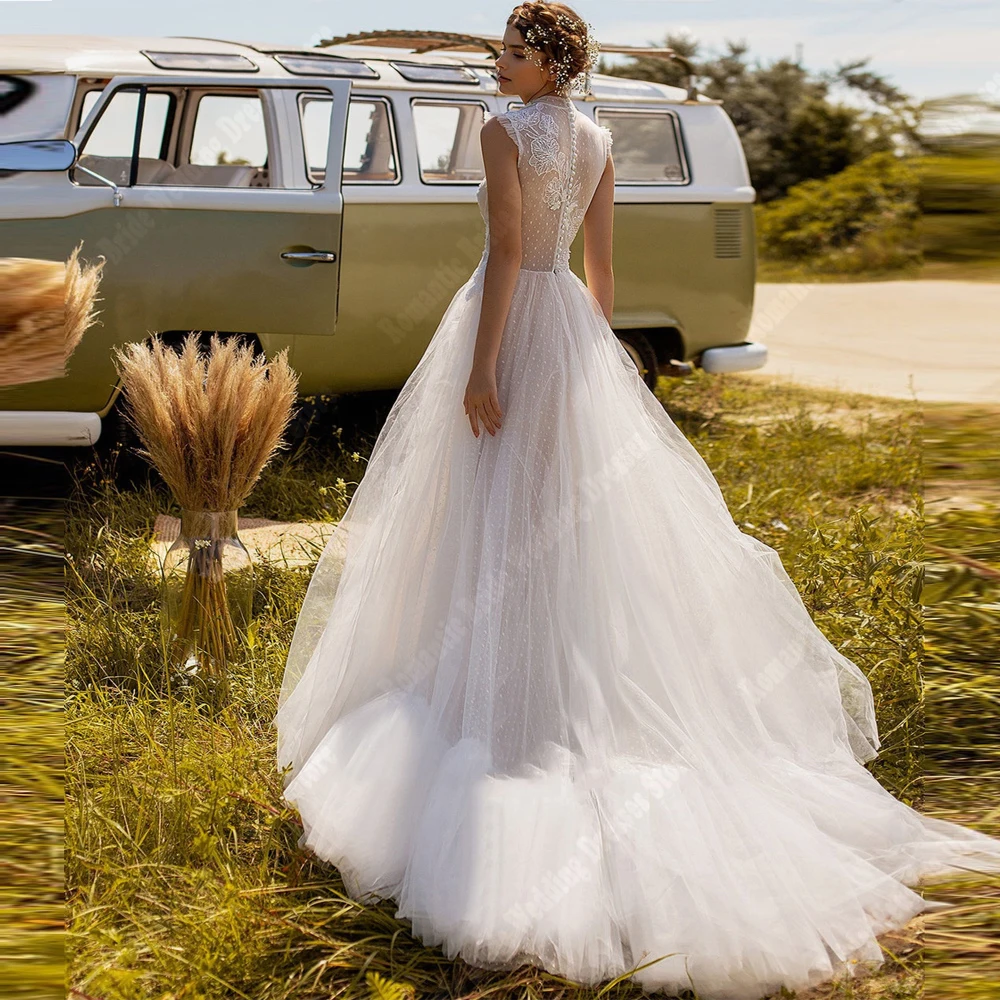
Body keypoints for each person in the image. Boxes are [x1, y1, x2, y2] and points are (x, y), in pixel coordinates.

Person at [273, 4, 1000, 997]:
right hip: (570, 330)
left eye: (514, 53)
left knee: (490, 520)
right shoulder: (600, 136)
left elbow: (502, 253)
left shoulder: (500, 132)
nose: (499, 64)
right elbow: (600, 270)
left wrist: (485, 369)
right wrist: (590, 365)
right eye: (500, 50)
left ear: (552, 63)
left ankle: (502, 712)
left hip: (514, 321)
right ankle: (549, 685)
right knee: (561, 528)